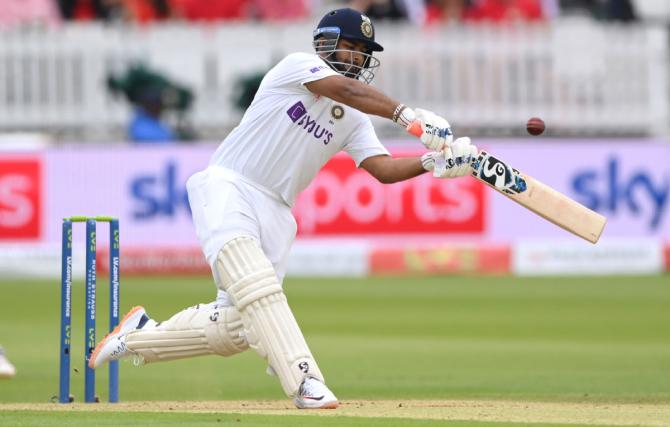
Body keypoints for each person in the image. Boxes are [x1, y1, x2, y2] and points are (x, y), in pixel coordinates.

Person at [88, 7, 478, 409]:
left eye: (363, 51)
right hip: (229, 186)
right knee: (258, 287)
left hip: (277, 211)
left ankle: (136, 337)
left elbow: (383, 169)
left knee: (238, 326)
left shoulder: (355, 119)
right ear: (326, 43)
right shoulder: (298, 68)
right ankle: (304, 380)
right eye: (350, 47)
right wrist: (408, 117)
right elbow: (345, 90)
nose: (357, 57)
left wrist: (433, 164)